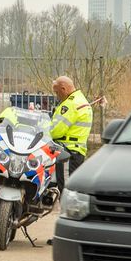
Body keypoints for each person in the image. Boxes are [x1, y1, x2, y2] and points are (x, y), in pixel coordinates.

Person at [47, 76, 92, 245]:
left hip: (67, 153)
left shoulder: (69, 104)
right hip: (77, 153)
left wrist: (47, 129)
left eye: (57, 92)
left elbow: (56, 131)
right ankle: (72, 232)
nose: (57, 96)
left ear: (64, 89)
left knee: (65, 192)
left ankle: (66, 234)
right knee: (71, 192)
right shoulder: (81, 100)